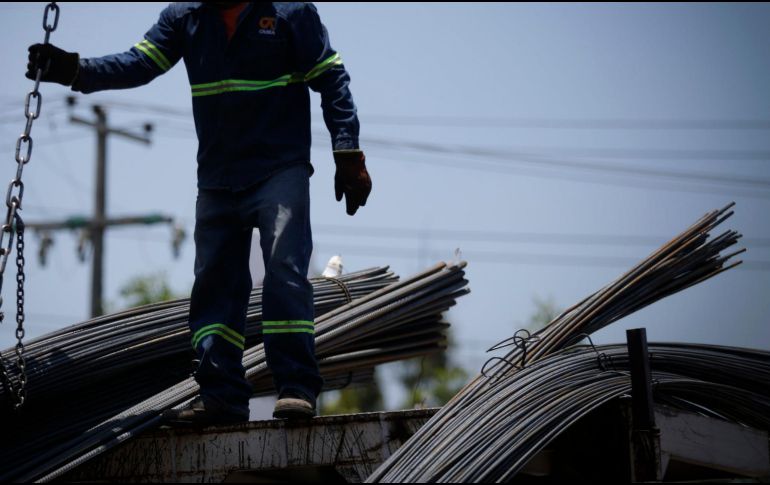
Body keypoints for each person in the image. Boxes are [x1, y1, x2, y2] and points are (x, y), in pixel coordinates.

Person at [26, 2, 372, 424]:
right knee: (214, 285)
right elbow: (139, 62)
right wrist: (75, 70)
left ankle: (296, 386)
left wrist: (348, 152)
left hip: (280, 168)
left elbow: (331, 78)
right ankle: (222, 395)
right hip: (218, 177)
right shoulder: (184, 18)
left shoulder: (290, 12)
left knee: (284, 269)